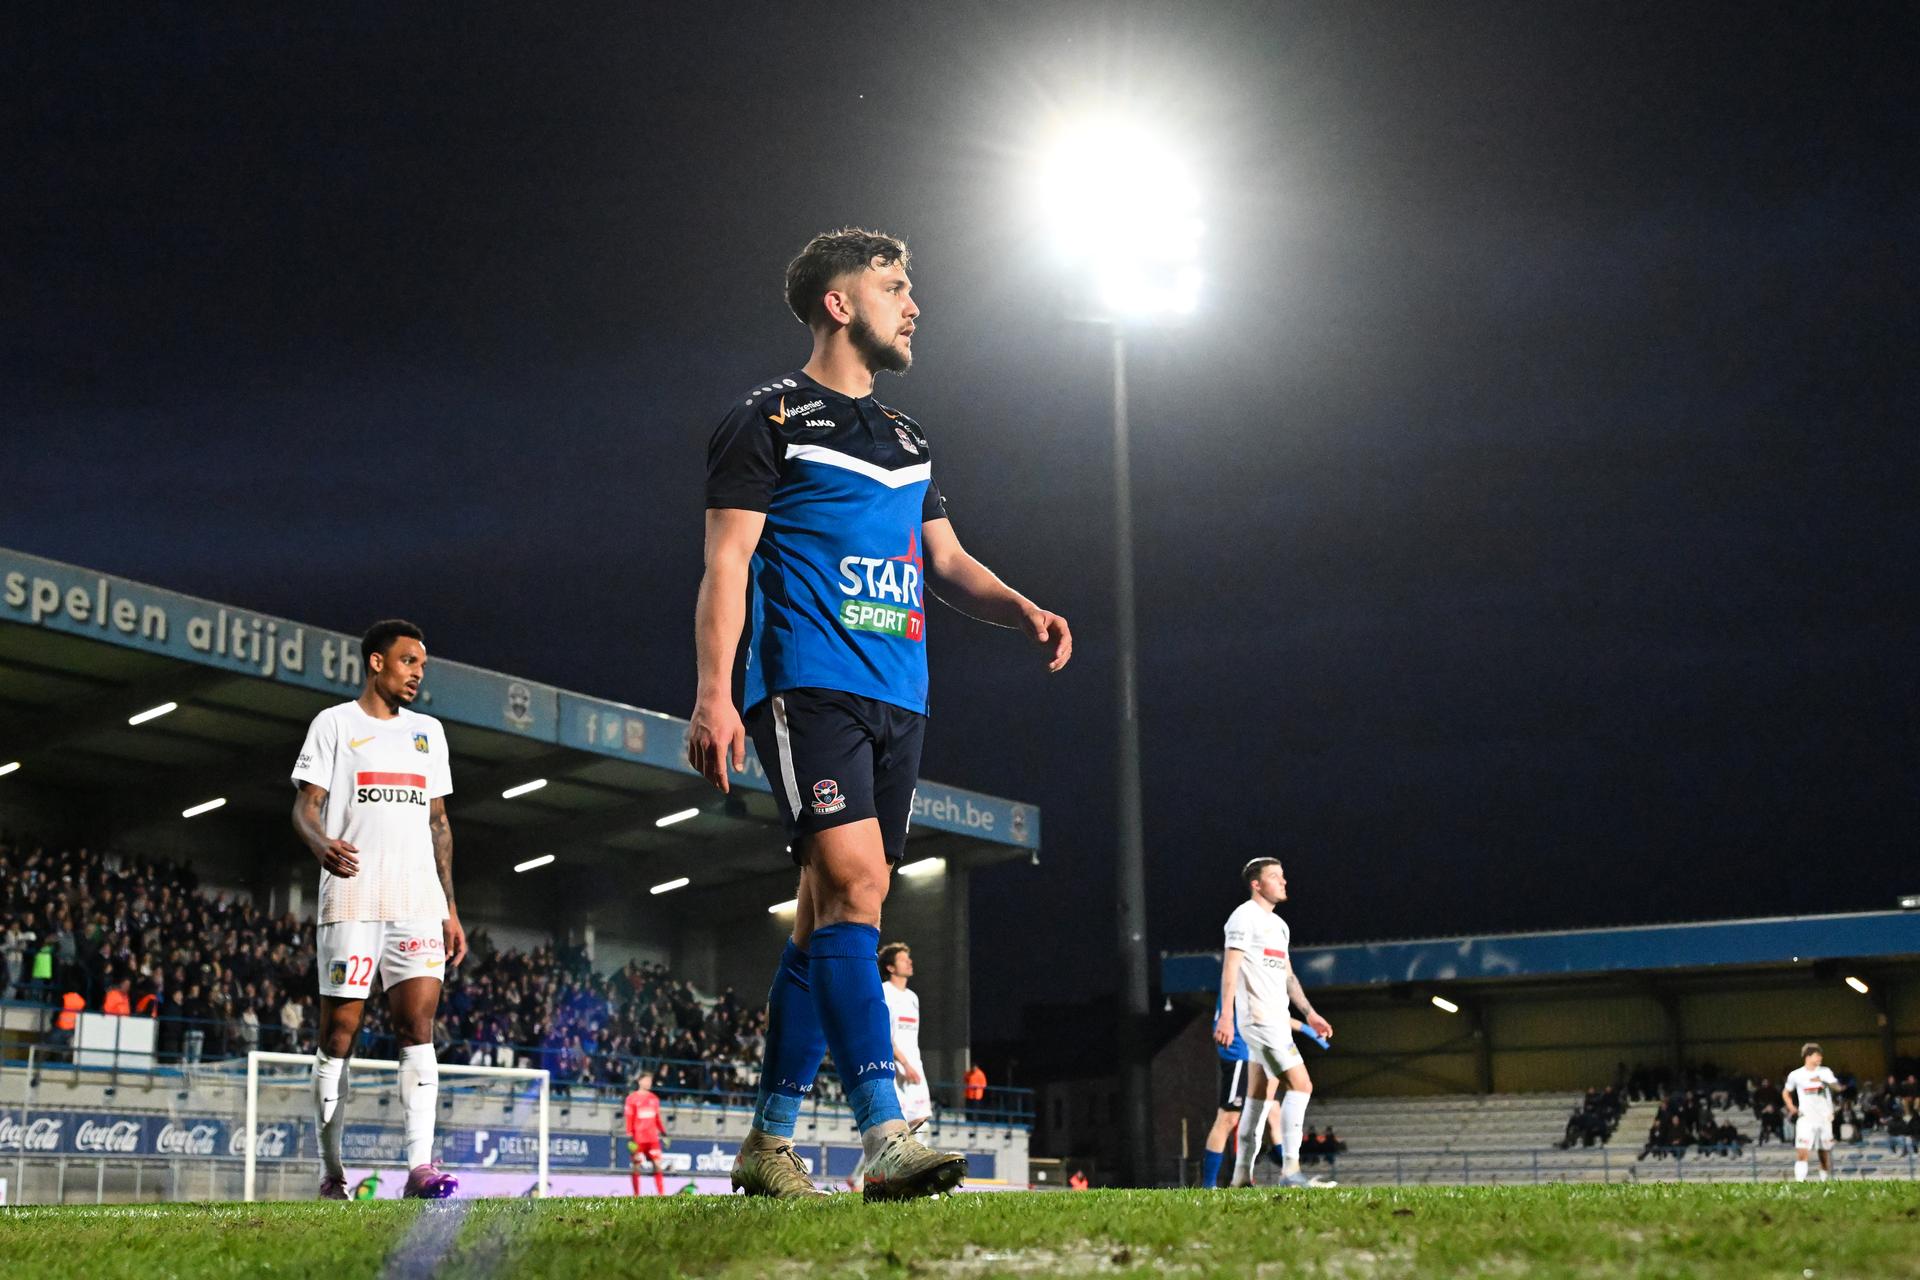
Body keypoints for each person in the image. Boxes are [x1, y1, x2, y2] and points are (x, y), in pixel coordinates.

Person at [690, 228, 1072, 1200]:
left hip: (900, 694)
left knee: (828, 912)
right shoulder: (765, 419)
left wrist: (1020, 604)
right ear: (837, 302)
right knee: (856, 882)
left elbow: (944, 561)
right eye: (894, 286)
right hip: (807, 681)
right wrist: (713, 690)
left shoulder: (907, 438)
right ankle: (883, 1133)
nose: (913, 303)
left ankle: (767, 1142)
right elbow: (729, 562)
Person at [292, 619, 467, 1201]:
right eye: (408, 661)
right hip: (353, 896)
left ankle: (420, 1166)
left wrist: (450, 908)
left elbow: (438, 822)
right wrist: (322, 845)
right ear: (375, 662)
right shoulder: (335, 725)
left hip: (417, 900)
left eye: (422, 664)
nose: (417, 673)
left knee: (418, 1028)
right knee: (340, 1033)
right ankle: (332, 1172)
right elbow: (306, 807)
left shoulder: (429, 734)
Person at [1214, 858, 1334, 1189]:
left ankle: (1240, 1177)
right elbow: (1230, 968)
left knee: (1259, 1098)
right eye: (1275, 877)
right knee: (1302, 1085)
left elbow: (1288, 975)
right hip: (1260, 1021)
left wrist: (1309, 1013)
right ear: (1256, 884)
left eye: (1283, 876)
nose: (1283, 882)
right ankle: (1291, 1172)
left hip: (1278, 1020)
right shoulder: (1242, 917)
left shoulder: (1279, 926)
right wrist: (1226, 1015)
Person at [1783, 1042, 1841, 1183]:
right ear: (1808, 1057)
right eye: (1817, 1055)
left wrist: (1826, 1081)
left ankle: (1824, 1182)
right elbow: (1786, 1092)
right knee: (1802, 1151)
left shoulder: (1825, 1071)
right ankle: (1800, 1182)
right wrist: (1791, 1106)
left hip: (1824, 1118)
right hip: (1806, 1118)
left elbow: (1837, 1088)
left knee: (1823, 1153)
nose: (1820, 1058)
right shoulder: (1796, 1075)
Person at [624, 1070, 670, 1196]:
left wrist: (663, 1132)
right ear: (640, 1081)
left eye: (650, 1081)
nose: (649, 1083)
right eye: (647, 1080)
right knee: (636, 1166)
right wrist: (629, 1136)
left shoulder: (654, 1099)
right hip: (638, 1138)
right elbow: (629, 1118)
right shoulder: (631, 1099)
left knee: (658, 1165)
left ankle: (661, 1195)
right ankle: (636, 1195)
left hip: (652, 1139)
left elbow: (657, 1118)